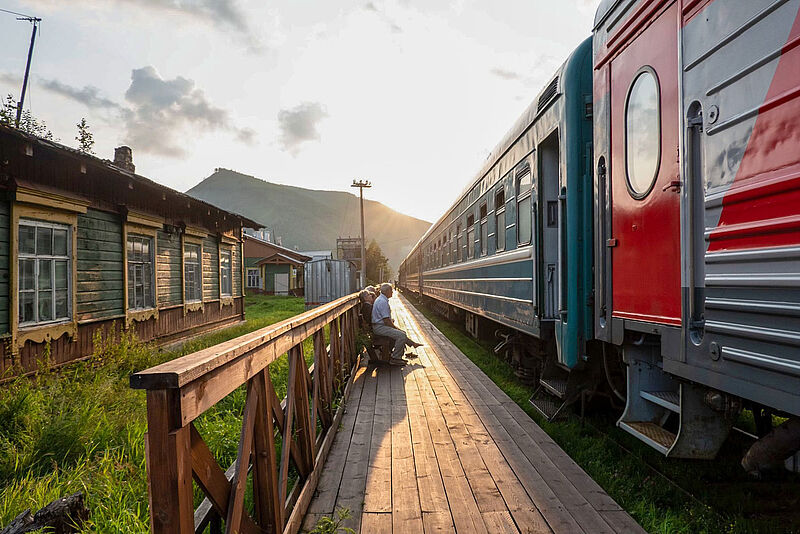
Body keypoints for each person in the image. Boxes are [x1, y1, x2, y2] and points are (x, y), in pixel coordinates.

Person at [371, 283, 423, 364]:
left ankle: (412, 344)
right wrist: (396, 328)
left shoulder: (381, 299)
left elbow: (387, 320)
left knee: (401, 333)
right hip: (379, 328)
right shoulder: (382, 302)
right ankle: (395, 358)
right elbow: (387, 321)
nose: (392, 292)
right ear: (387, 291)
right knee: (401, 335)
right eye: (391, 290)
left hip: (379, 326)